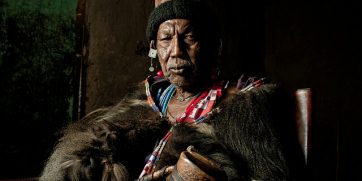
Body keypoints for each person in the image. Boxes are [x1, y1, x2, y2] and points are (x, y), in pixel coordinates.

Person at [40, 0, 305, 180]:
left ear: (213, 46)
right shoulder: (143, 100)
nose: (176, 51)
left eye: (189, 37)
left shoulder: (243, 105)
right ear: (156, 48)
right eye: (166, 38)